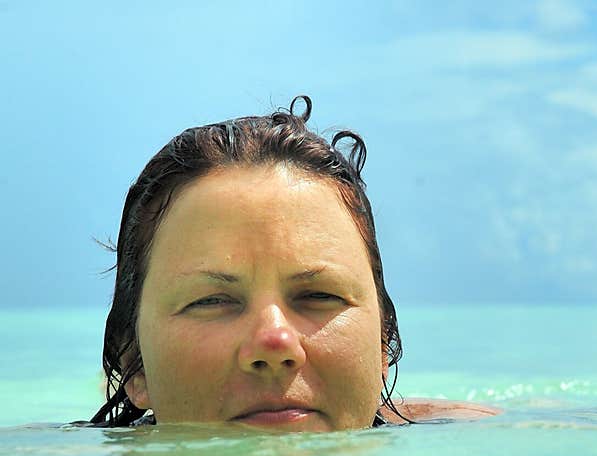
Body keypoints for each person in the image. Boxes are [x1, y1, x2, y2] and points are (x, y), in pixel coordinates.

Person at [90, 96, 498, 430]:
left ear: (382, 347)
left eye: (319, 295)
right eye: (212, 300)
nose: (275, 342)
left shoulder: (493, 437)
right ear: (134, 365)